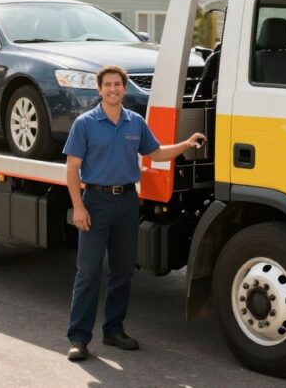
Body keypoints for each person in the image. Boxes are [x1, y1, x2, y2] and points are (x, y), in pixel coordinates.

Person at [64, 65, 205, 361]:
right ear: (99, 89)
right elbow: (73, 168)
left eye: (118, 84)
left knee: (123, 271)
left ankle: (114, 330)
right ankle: (78, 337)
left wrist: (186, 144)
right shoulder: (85, 123)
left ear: (124, 89)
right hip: (96, 203)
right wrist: (78, 206)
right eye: (108, 85)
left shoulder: (135, 122)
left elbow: (155, 154)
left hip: (127, 202)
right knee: (88, 272)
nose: (113, 89)